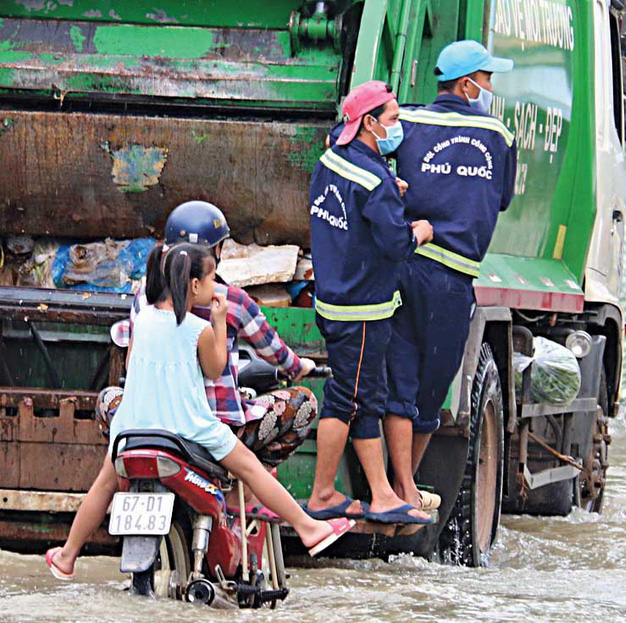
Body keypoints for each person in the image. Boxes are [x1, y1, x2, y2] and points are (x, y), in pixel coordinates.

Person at [45, 245, 353, 580]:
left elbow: (133, 366)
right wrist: (219, 323)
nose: (215, 287)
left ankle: (67, 555)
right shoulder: (197, 328)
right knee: (250, 467)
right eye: (210, 279)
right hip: (188, 429)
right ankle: (309, 528)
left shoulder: (142, 318)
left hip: (132, 428)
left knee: (103, 485)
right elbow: (215, 368)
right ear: (193, 286)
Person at [99, 203, 320, 513]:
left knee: (109, 398)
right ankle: (243, 490)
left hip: (149, 424)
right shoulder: (229, 301)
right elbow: (274, 354)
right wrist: (300, 367)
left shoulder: (145, 298)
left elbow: (132, 355)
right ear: (214, 253)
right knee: (304, 404)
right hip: (209, 428)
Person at [379, 40, 518, 512]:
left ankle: (399, 487)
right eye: (487, 78)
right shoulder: (498, 134)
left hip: (402, 266)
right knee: (430, 389)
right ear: (467, 84)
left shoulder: (408, 122)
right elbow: (501, 200)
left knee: (399, 382)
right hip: (451, 280)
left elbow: (363, 147)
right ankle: (408, 488)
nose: (490, 87)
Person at [305, 80, 434, 524]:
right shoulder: (375, 179)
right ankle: (323, 493)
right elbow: (397, 244)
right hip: (362, 309)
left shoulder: (329, 162)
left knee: (364, 397)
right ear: (368, 124)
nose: (398, 127)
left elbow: (353, 211)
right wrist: (419, 230)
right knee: (346, 397)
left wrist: (386, 193)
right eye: (393, 119)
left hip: (333, 299)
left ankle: (381, 492)